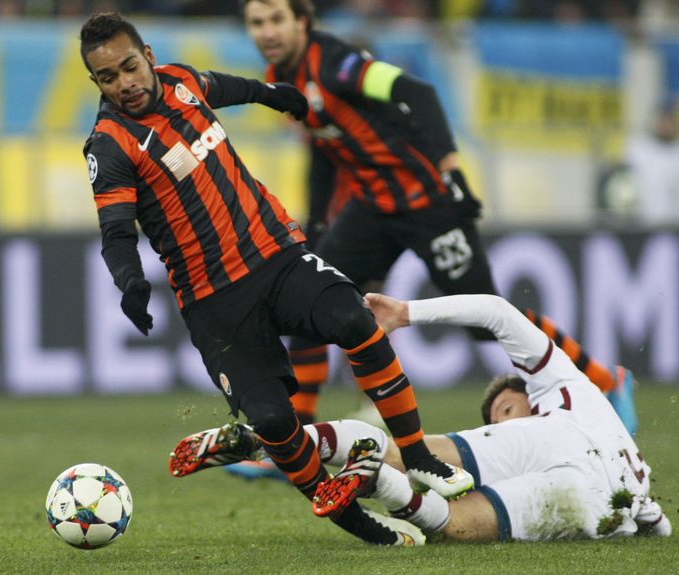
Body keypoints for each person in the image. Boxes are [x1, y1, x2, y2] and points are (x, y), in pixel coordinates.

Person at [79, 12, 471, 545]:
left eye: (128, 67)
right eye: (107, 77)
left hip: (276, 255)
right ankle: (356, 520)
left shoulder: (182, 81)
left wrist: (273, 94)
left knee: (353, 318)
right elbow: (116, 230)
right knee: (272, 419)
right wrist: (129, 280)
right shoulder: (109, 144)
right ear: (96, 83)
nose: (124, 84)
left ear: (147, 54)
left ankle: (420, 456)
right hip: (213, 299)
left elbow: (230, 86)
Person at [239, 0, 637, 432]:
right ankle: (293, 439)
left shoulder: (337, 64)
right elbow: (323, 147)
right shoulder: (281, 80)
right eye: (257, 23)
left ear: (303, 21)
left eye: (277, 20)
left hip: (427, 202)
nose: (267, 32)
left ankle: (607, 380)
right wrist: (316, 225)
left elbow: (417, 92)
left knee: (486, 323)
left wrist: (450, 169)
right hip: (373, 208)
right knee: (311, 303)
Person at [171, 292, 671, 542]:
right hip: (600, 497)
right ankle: (374, 480)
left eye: (502, 413)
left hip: (571, 475)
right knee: (448, 517)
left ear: (523, 396)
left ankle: (276, 441)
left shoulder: (557, 395)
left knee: (415, 463)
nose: (498, 419)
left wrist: (407, 313)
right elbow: (657, 524)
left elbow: (497, 310)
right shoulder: (578, 392)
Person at [625, 100, 679, 226]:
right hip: (649, 223)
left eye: (671, 120)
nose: (666, 124)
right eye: (663, 119)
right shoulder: (639, 150)